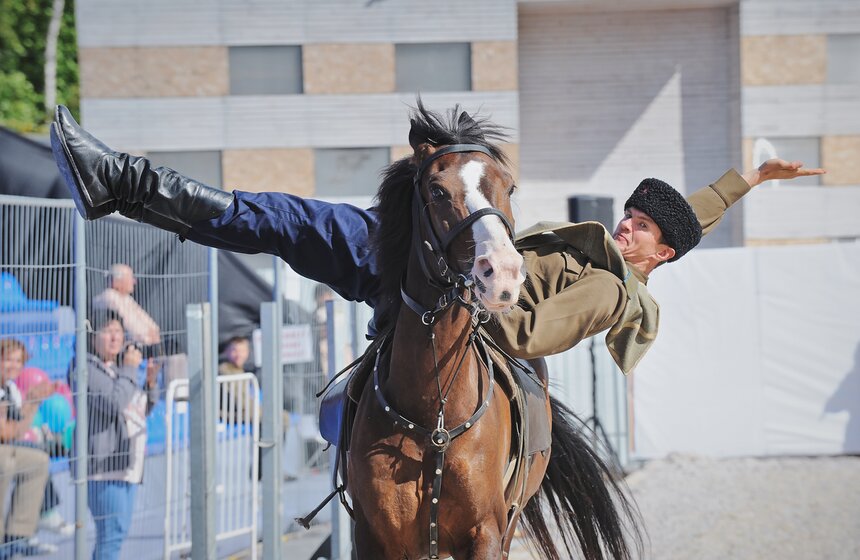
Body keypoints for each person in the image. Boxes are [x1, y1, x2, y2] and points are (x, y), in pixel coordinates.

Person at [49, 104, 824, 371]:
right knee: (285, 219)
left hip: (458, 305)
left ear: (660, 256)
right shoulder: (629, 246)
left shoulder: (609, 291)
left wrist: (477, 277)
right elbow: (689, 216)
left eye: (643, 228)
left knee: (288, 223)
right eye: (631, 215)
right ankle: (120, 184)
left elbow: (525, 332)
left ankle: (122, 183)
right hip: (442, 260)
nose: (629, 225)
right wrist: (749, 180)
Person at [70, 310, 159, 560]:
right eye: (107, 331)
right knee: (111, 534)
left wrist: (151, 383)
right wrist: (130, 369)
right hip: (103, 465)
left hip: (127, 462)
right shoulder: (83, 367)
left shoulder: (117, 369)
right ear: (92, 336)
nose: (114, 337)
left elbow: (140, 409)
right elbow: (113, 402)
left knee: (116, 534)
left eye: (118, 331)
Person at [0, 339, 74, 538]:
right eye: (8, 359)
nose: (14, 365)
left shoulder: (11, 389)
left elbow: (17, 430)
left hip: (8, 446)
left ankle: (19, 535)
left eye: (18, 361)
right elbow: (5, 433)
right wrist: (31, 403)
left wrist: (33, 400)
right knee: (9, 461)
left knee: (39, 458)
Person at [217, 336, 254, 422]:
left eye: (242, 351)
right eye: (235, 350)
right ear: (227, 352)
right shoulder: (224, 370)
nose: (239, 355)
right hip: (230, 414)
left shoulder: (241, 370)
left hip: (245, 411)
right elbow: (242, 402)